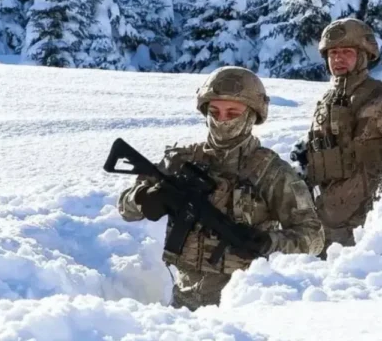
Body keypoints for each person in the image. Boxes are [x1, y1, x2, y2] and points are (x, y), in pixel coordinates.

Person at [117, 66, 324, 310]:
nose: (221, 120)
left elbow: (314, 237)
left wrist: (269, 241)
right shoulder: (181, 160)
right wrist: (144, 198)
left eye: (232, 113)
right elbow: (125, 208)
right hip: (182, 296)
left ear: (252, 114)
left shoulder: (272, 172)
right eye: (214, 111)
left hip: (243, 301)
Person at [300, 18, 382, 252]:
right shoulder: (326, 101)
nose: (338, 58)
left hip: (362, 226)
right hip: (325, 218)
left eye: (346, 52)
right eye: (333, 53)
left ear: (363, 55)